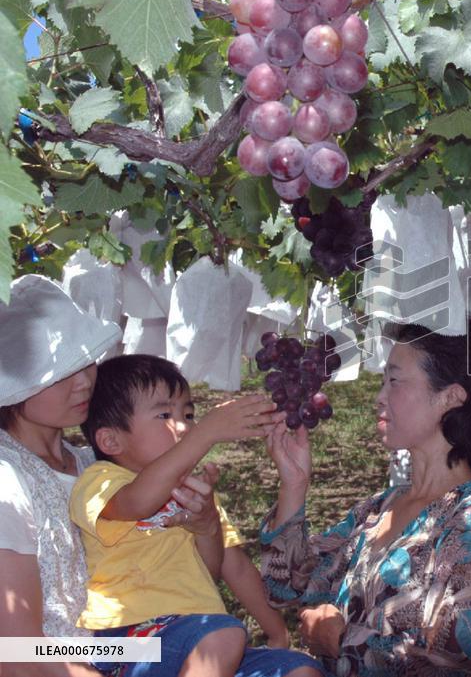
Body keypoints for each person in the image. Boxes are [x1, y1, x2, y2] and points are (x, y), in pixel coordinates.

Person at [260, 319, 471, 676]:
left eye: (394, 381)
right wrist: (294, 485)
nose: (379, 396)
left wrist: (339, 640)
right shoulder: (379, 509)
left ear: (451, 397)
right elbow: (282, 586)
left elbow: (451, 658)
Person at [71, 353, 322, 677]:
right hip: (125, 641)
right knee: (225, 634)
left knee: (299, 669)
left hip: (199, 637)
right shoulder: (100, 482)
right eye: (164, 414)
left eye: (189, 414)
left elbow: (229, 567)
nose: (186, 426)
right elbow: (136, 502)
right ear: (110, 440)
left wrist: (276, 630)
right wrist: (207, 433)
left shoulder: (197, 494)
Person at [0, 275, 123, 677]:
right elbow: (17, 652)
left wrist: (206, 524)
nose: (85, 381)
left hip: (121, 647)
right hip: (61, 661)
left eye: (86, 362)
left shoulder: (91, 464)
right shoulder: (8, 481)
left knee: (289, 668)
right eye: (61, 372)